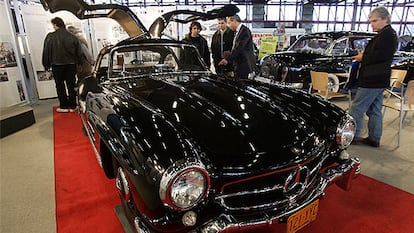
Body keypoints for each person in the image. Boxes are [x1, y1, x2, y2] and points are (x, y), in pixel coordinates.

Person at [349, 6, 398, 147]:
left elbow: (379, 56)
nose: (372, 24)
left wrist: (362, 58)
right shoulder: (386, 34)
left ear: (386, 19)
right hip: (378, 79)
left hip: (372, 79)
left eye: (375, 21)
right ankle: (374, 138)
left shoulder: (387, 36)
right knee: (374, 110)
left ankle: (352, 136)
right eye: (370, 21)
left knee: (356, 108)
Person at [42, 17, 83, 113]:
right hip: (71, 64)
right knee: (71, 85)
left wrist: (46, 64)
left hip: (57, 65)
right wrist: (80, 63)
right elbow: (79, 53)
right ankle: (73, 106)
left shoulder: (50, 37)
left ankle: (64, 106)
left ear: (55, 25)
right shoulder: (72, 37)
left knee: (59, 85)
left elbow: (46, 51)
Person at [218, 15, 255, 79]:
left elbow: (239, 48)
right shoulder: (237, 32)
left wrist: (228, 59)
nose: (228, 26)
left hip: (244, 66)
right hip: (238, 66)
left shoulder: (244, 31)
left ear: (234, 21)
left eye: (229, 23)